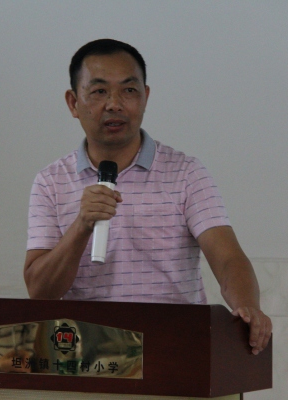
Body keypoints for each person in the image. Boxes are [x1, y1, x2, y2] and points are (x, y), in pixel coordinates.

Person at [24, 39, 272, 355]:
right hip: (88, 355)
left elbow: (228, 259)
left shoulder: (186, 172)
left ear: (145, 97)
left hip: (174, 348)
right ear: (73, 103)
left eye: (129, 90)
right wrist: (81, 226)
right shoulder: (50, 182)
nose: (114, 104)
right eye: (99, 91)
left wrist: (248, 307)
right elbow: (40, 292)